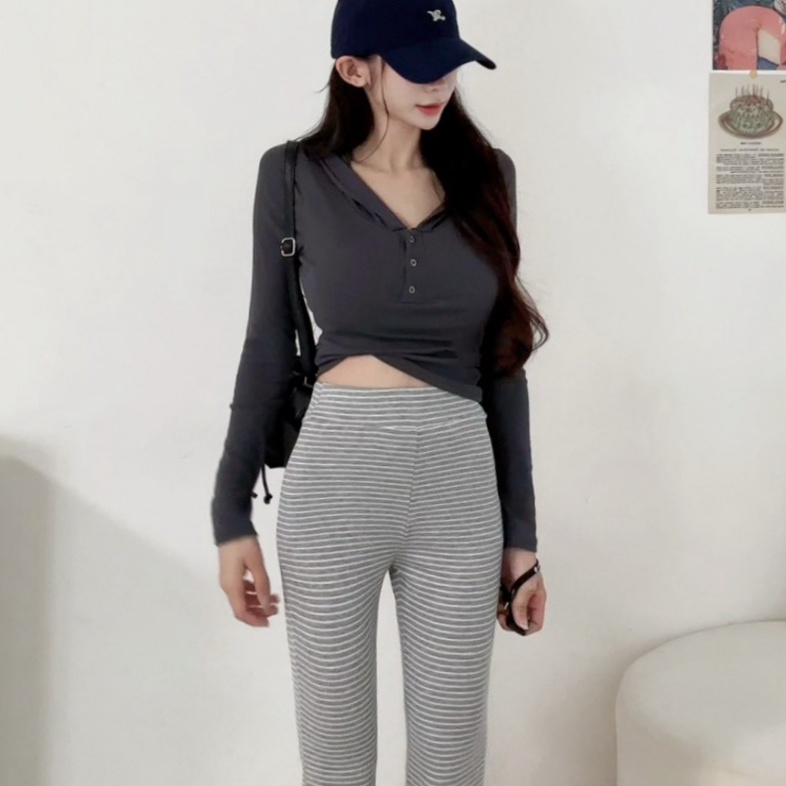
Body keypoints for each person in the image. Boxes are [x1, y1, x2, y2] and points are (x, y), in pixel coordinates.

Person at [211, 0, 550, 783]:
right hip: (334, 491)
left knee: (451, 760)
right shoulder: (293, 176)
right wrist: (230, 517)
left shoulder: (488, 177)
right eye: (418, 65)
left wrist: (522, 540)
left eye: (448, 62)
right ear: (354, 69)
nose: (440, 83)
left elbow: (504, 363)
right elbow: (267, 347)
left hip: (458, 493)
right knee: (335, 761)